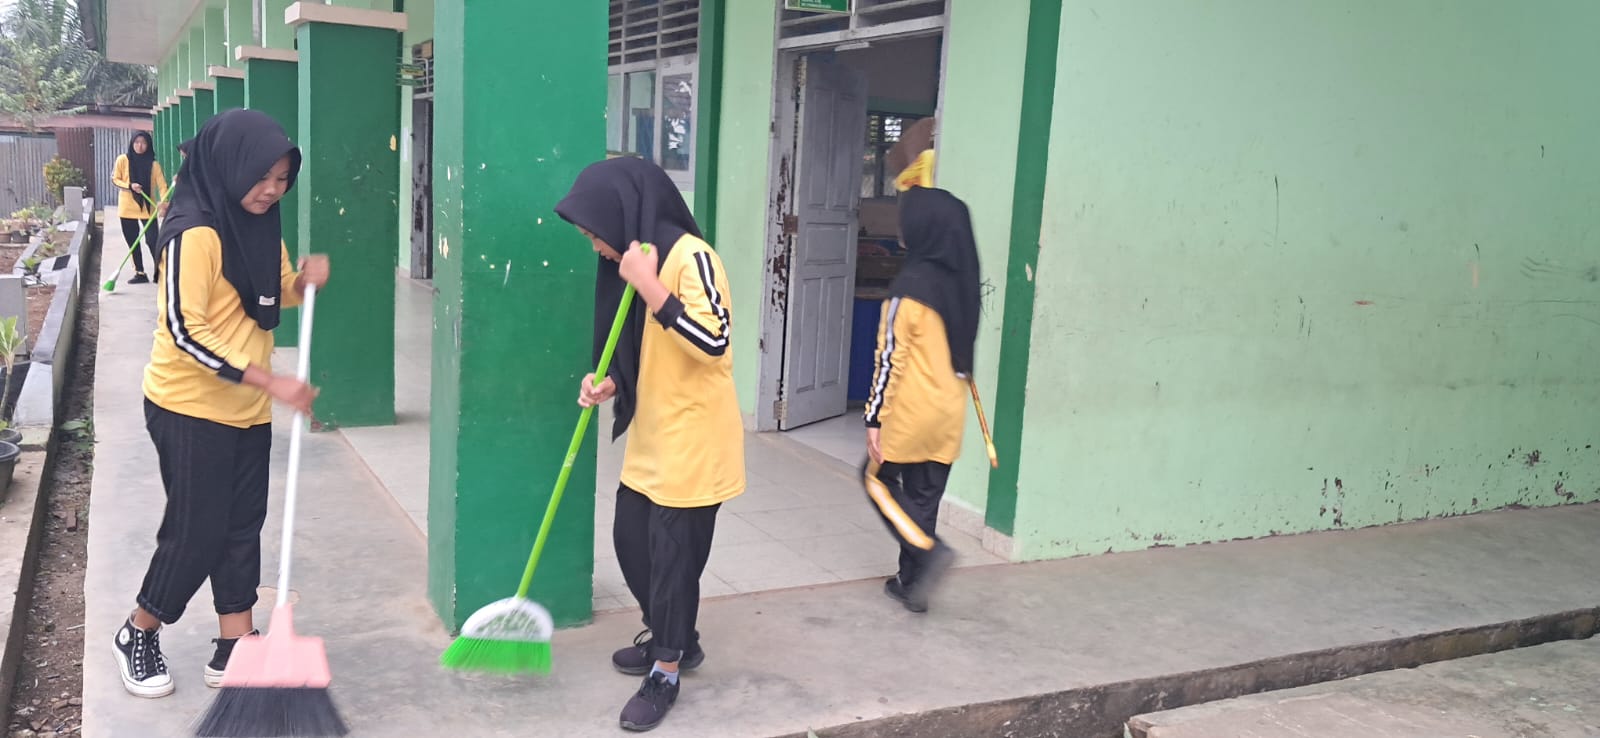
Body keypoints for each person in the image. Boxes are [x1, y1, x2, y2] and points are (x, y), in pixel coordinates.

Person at [113, 109, 330, 699]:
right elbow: (186, 330)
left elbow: (267, 289)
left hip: (244, 408)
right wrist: (270, 381)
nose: (272, 190)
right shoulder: (194, 231)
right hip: (187, 405)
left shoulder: (259, 223)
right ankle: (139, 629)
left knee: (240, 527)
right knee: (196, 530)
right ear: (231, 167)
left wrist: (299, 281)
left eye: (283, 180)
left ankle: (236, 639)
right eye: (263, 177)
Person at [555, 157, 744, 732]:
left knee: (671, 562)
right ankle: (676, 636)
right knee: (631, 540)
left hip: (694, 442)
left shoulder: (692, 257)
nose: (596, 249)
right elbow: (642, 347)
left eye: (594, 236)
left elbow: (713, 339)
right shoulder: (636, 266)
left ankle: (666, 668)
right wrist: (611, 381)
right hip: (655, 437)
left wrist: (651, 286)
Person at [861, 185, 982, 613]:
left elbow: (889, 360)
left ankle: (927, 552)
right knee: (923, 495)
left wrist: (874, 418)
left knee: (875, 480)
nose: (902, 229)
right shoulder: (962, 285)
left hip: (910, 414)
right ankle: (912, 585)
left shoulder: (908, 288)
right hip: (949, 413)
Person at [111, 131, 169, 284]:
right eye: (136, 142)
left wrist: (164, 202)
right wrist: (130, 186)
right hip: (126, 209)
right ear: (132, 143)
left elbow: (163, 186)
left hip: (147, 209)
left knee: (153, 240)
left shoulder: (154, 165)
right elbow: (115, 180)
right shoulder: (122, 160)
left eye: (143, 142)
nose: (139, 146)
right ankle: (140, 272)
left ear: (148, 145)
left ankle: (161, 271)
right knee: (132, 241)